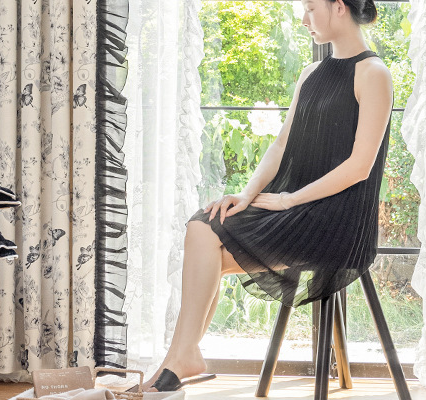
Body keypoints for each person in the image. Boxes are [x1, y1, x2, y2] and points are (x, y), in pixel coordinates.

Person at [140, 0, 394, 392]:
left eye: (310, 7)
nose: (304, 19)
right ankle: (181, 357)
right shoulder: (311, 73)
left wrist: (291, 199)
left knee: (207, 246)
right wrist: (245, 195)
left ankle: (177, 363)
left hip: (338, 221)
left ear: (339, 7)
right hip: (298, 207)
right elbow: (280, 146)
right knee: (203, 227)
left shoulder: (373, 73)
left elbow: (360, 166)